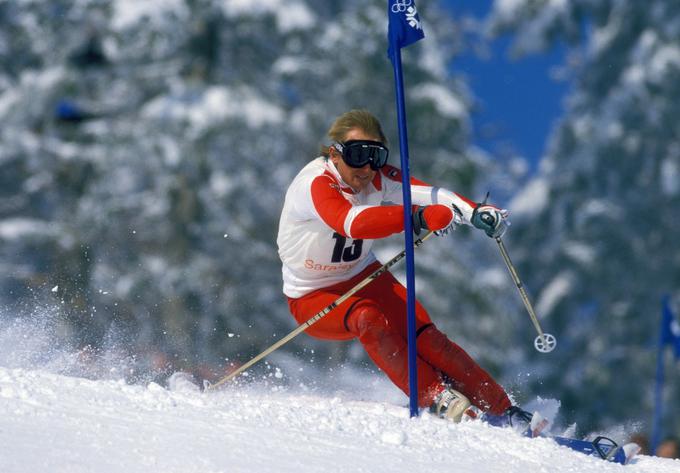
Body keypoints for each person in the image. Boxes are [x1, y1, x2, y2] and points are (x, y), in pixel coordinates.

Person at [277, 109, 528, 424]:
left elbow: (431, 193)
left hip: (364, 275)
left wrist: (474, 211)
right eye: (357, 155)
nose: (367, 167)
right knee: (367, 319)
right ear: (335, 153)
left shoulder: (376, 178)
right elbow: (350, 222)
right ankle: (436, 398)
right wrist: (415, 216)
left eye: (376, 156)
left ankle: (503, 409)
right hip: (312, 293)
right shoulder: (315, 183)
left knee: (428, 338)